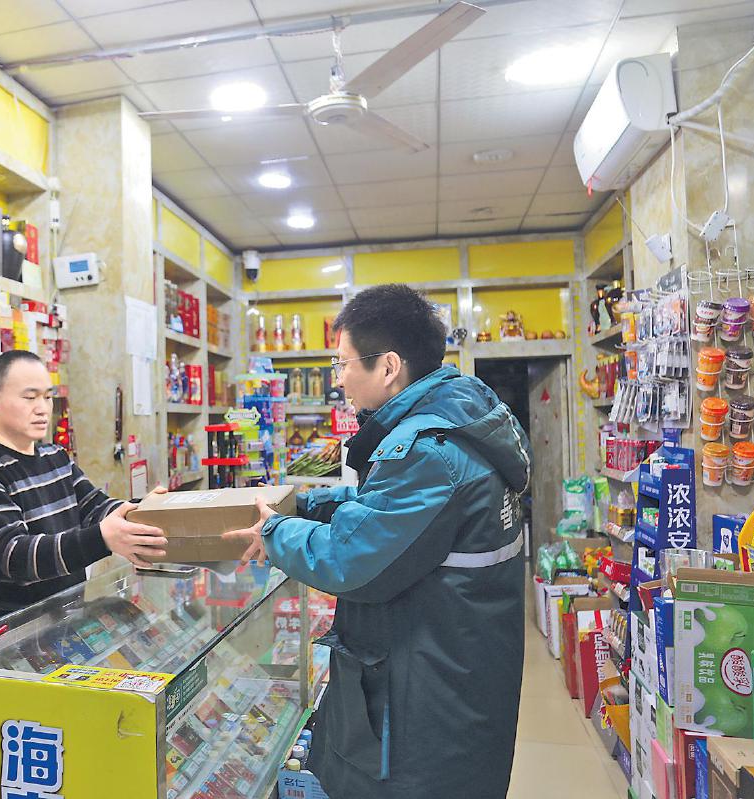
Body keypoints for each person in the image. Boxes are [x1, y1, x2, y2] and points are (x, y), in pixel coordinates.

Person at [226, 284, 531, 799]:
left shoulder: (428, 451)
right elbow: (390, 510)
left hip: (427, 703)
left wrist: (274, 531)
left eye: (342, 363)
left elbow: (348, 560)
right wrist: (309, 505)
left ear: (388, 367)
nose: (338, 378)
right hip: (458, 672)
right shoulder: (458, 421)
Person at [0, 350, 168, 616]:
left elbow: (96, 507)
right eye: (30, 397)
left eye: (47, 396)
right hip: (13, 630)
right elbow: (16, 556)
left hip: (67, 618)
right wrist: (102, 538)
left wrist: (146, 511)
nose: (42, 408)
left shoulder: (55, 456)